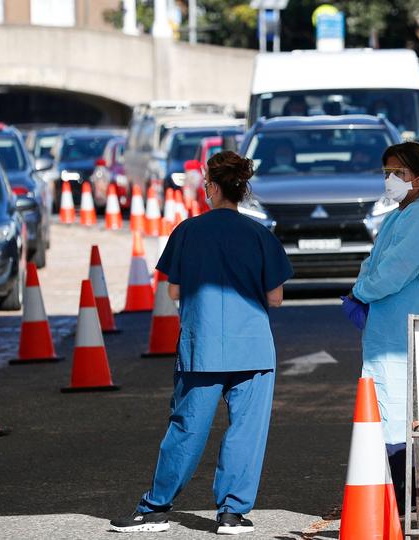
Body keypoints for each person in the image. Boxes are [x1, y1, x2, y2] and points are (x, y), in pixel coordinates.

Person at [110, 151, 293, 535]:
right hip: (254, 348)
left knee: (186, 429)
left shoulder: (187, 231)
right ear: (242, 189)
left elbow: (174, 288)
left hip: (202, 345)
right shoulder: (261, 235)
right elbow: (275, 298)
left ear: (211, 187)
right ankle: (231, 514)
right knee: (245, 432)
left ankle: (155, 508)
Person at [343, 141, 419, 513]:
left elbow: (392, 272)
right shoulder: (399, 214)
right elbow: (374, 262)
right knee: (387, 409)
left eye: (400, 173)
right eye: (386, 173)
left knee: (398, 413)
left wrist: (361, 292)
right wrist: (362, 289)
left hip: (404, 330)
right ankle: (397, 498)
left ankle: (405, 502)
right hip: (387, 327)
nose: (391, 180)